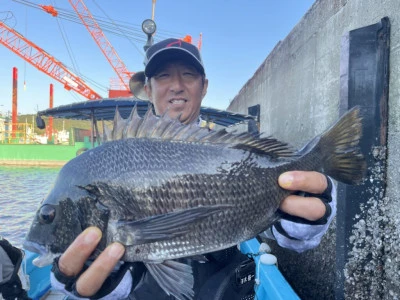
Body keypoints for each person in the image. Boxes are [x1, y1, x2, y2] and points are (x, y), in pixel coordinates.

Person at [50, 38, 336, 299]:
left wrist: (305, 221)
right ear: (148, 89)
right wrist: (94, 279)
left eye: (188, 75)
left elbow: (285, 234)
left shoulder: (233, 151)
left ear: (205, 86)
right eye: (163, 75)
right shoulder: (107, 161)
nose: (176, 85)